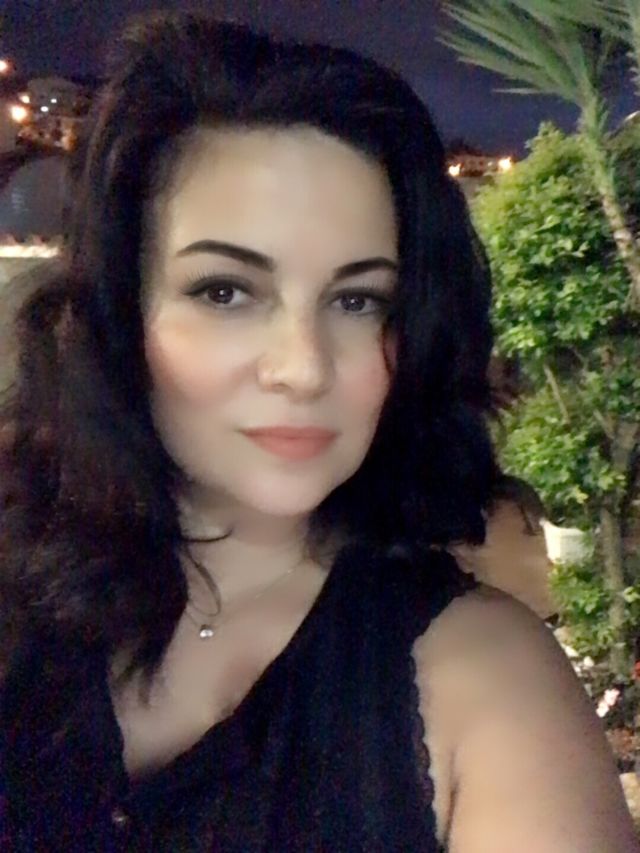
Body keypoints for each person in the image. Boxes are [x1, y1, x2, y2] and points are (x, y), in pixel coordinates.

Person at [0, 11, 635, 851]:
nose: (303, 368)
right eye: (225, 291)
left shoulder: (487, 685)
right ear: (119, 311)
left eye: (357, 300)